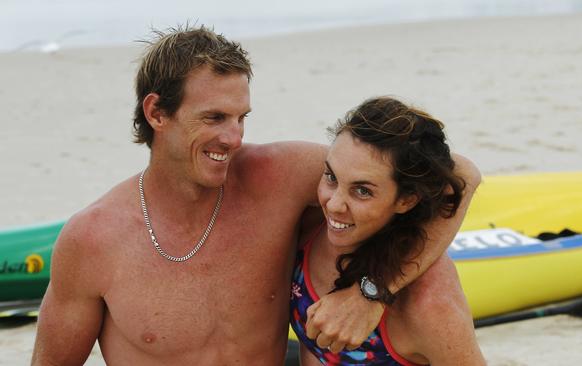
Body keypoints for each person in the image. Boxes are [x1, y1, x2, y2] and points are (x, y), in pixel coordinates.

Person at [31, 26, 481, 365]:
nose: (233, 138)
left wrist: (371, 293)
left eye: (241, 117)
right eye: (214, 117)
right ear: (156, 113)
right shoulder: (92, 241)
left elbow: (457, 174)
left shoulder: (277, 178)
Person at [290, 97, 485, 365]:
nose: (333, 204)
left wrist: (370, 295)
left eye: (362, 191)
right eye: (331, 176)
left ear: (407, 200)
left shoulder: (429, 303)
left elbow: (465, 174)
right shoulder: (309, 226)